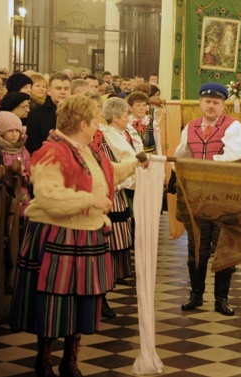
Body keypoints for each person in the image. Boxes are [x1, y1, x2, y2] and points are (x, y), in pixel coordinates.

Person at [9, 95, 139, 377]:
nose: (97, 127)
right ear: (82, 124)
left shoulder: (87, 151)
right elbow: (49, 197)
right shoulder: (52, 152)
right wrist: (91, 200)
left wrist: (134, 161)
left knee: (81, 301)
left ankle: (70, 362)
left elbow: (106, 174)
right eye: (94, 122)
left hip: (87, 235)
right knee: (53, 302)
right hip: (60, 235)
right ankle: (43, 364)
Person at [175, 82, 241, 316]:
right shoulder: (190, 126)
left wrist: (203, 165)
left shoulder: (233, 126)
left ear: (223, 105)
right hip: (197, 197)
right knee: (197, 248)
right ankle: (196, 295)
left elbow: (235, 156)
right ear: (200, 103)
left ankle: (221, 299)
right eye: (207, 101)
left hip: (225, 197)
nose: (211, 106)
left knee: (224, 247)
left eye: (216, 102)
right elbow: (182, 154)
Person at [92, 97, 142, 319]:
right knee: (104, 247)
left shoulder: (113, 134)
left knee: (115, 244)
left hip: (117, 192)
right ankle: (99, 296)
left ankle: (105, 291)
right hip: (101, 195)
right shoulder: (101, 136)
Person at [0, 111, 32, 216]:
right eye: (10, 131)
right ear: (2, 132)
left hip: (22, 193)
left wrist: (25, 176)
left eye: (17, 131)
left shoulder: (24, 151)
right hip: (3, 193)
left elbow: (30, 171)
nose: (14, 134)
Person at [26, 72, 72, 155]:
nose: (63, 92)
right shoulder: (36, 114)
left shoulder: (77, 113)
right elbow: (32, 143)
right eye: (58, 88)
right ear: (49, 91)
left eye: (66, 89)